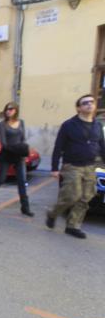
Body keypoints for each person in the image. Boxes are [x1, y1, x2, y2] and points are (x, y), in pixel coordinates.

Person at [46, 94, 105, 239]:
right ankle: (53, 213)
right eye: (85, 103)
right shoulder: (69, 125)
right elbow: (58, 146)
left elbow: (102, 145)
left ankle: (73, 226)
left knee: (86, 198)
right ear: (79, 108)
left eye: (92, 102)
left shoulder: (97, 125)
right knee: (72, 196)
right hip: (72, 166)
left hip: (91, 166)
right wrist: (54, 168)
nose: (89, 105)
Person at [0, 102, 34, 216]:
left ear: (16, 110)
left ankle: (25, 207)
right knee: (1, 178)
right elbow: (4, 143)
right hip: (7, 155)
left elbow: (23, 139)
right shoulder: (2, 124)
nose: (8, 111)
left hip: (19, 156)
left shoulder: (21, 122)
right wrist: (20, 148)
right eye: (7, 109)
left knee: (22, 181)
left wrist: (23, 150)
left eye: (11, 109)